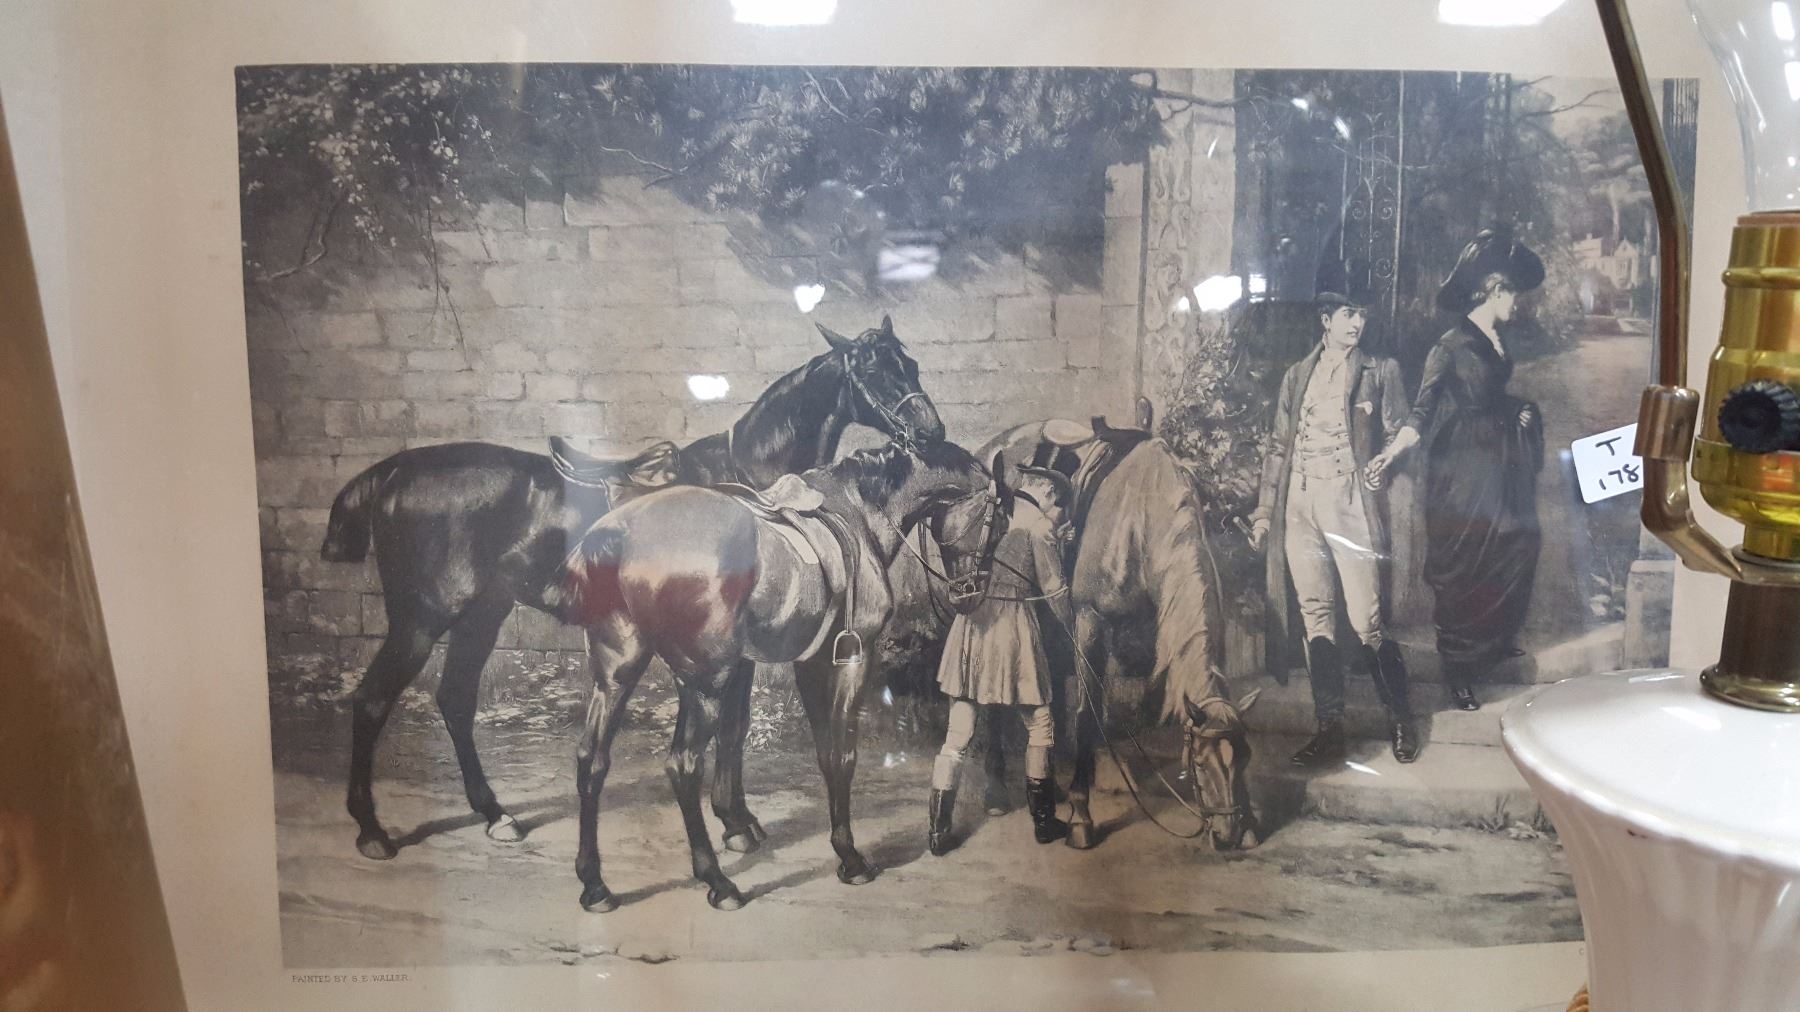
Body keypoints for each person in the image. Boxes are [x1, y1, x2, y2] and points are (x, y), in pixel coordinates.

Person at [1366, 228, 1546, 712]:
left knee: (1517, 540)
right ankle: (1459, 669)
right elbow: (1421, 413)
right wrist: (1390, 453)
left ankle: (1492, 639)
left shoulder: (1496, 337)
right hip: (1461, 465)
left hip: (1500, 458)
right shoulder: (1447, 347)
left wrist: (1518, 410)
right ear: (1494, 289)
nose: (1518, 304)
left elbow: (1493, 394)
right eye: (1513, 294)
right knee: (1464, 558)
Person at [1250, 267, 1418, 765]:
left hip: (1348, 500)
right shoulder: (1296, 376)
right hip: (1299, 505)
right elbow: (1277, 448)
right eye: (1348, 314)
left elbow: (1400, 429)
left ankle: (1401, 719)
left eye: (1362, 314)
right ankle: (1330, 729)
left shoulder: (1380, 370)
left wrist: (1385, 459)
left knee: (1366, 619)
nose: (1357, 323)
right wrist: (1264, 513)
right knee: (1315, 616)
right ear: (1326, 319)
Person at [927, 466, 1076, 856]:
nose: (1054, 507)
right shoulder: (1039, 527)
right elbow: (1054, 589)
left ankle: (938, 831)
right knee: (1040, 723)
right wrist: (1072, 627)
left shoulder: (992, 513)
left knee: (958, 733)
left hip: (971, 626)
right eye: (1055, 499)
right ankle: (1043, 822)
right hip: (1011, 630)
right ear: (1047, 490)